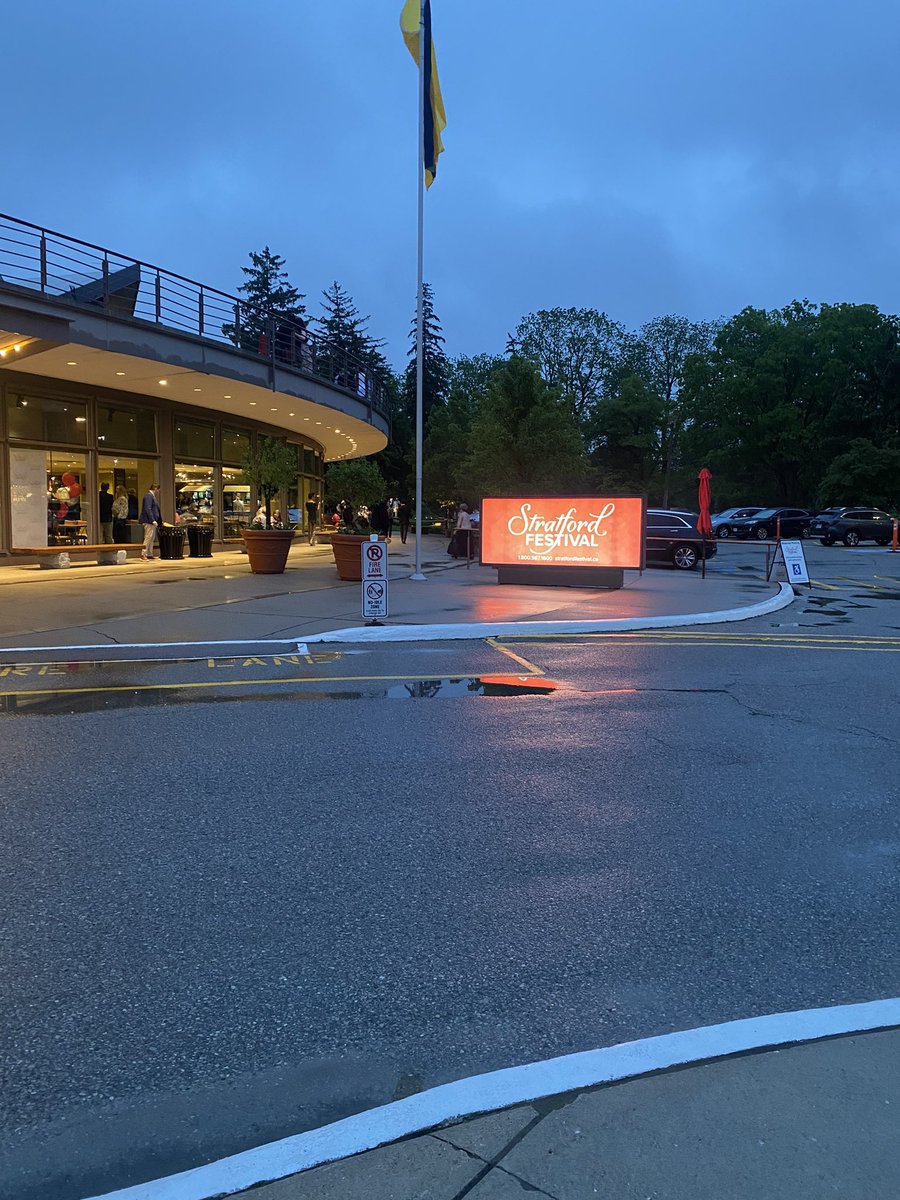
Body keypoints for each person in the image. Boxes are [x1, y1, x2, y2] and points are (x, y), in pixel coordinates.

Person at [140, 483, 161, 560]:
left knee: (151, 537)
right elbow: (148, 508)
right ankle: (143, 553)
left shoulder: (151, 496)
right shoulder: (149, 496)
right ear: (155, 488)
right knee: (148, 537)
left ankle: (149, 553)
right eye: (158, 490)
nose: (158, 492)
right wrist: (152, 520)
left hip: (152, 521)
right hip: (149, 521)